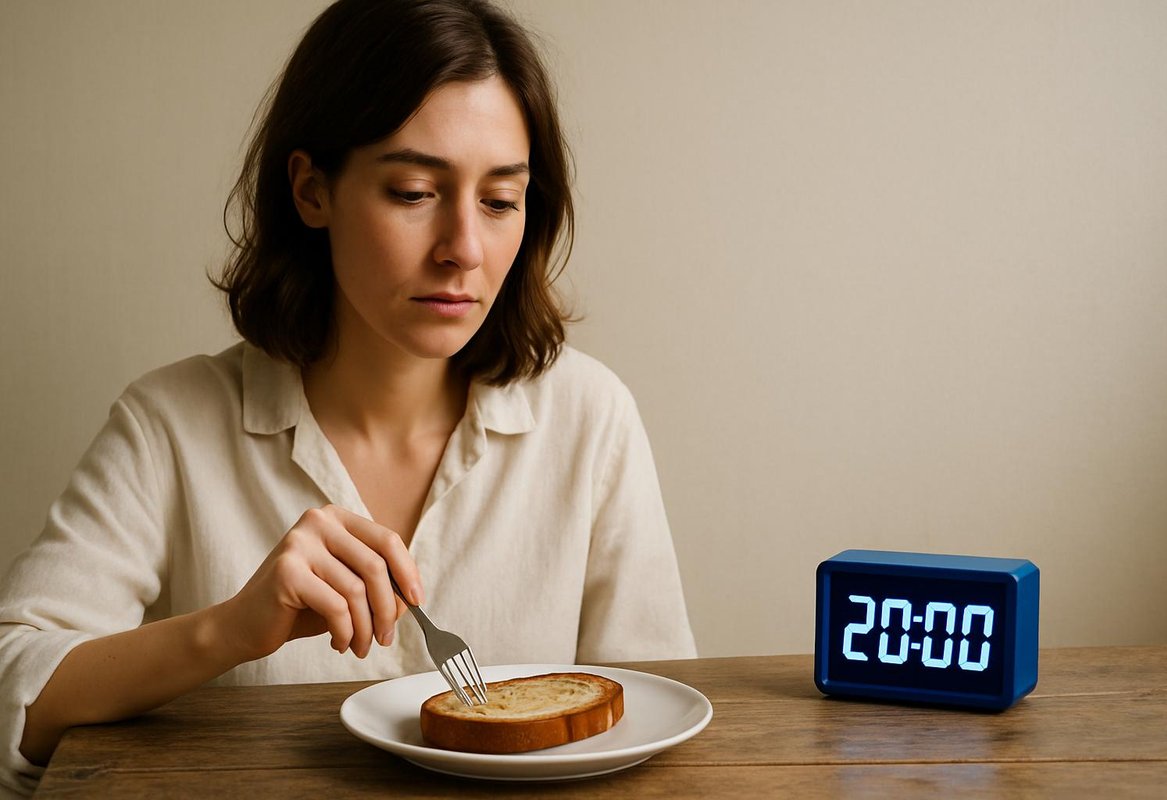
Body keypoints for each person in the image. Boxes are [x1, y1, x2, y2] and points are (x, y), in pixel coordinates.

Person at [0, 0, 695, 794]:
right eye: (413, 191)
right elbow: (12, 681)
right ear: (311, 190)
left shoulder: (590, 416)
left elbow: (658, 717)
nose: (464, 249)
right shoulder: (171, 424)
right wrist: (228, 631)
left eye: (500, 201)